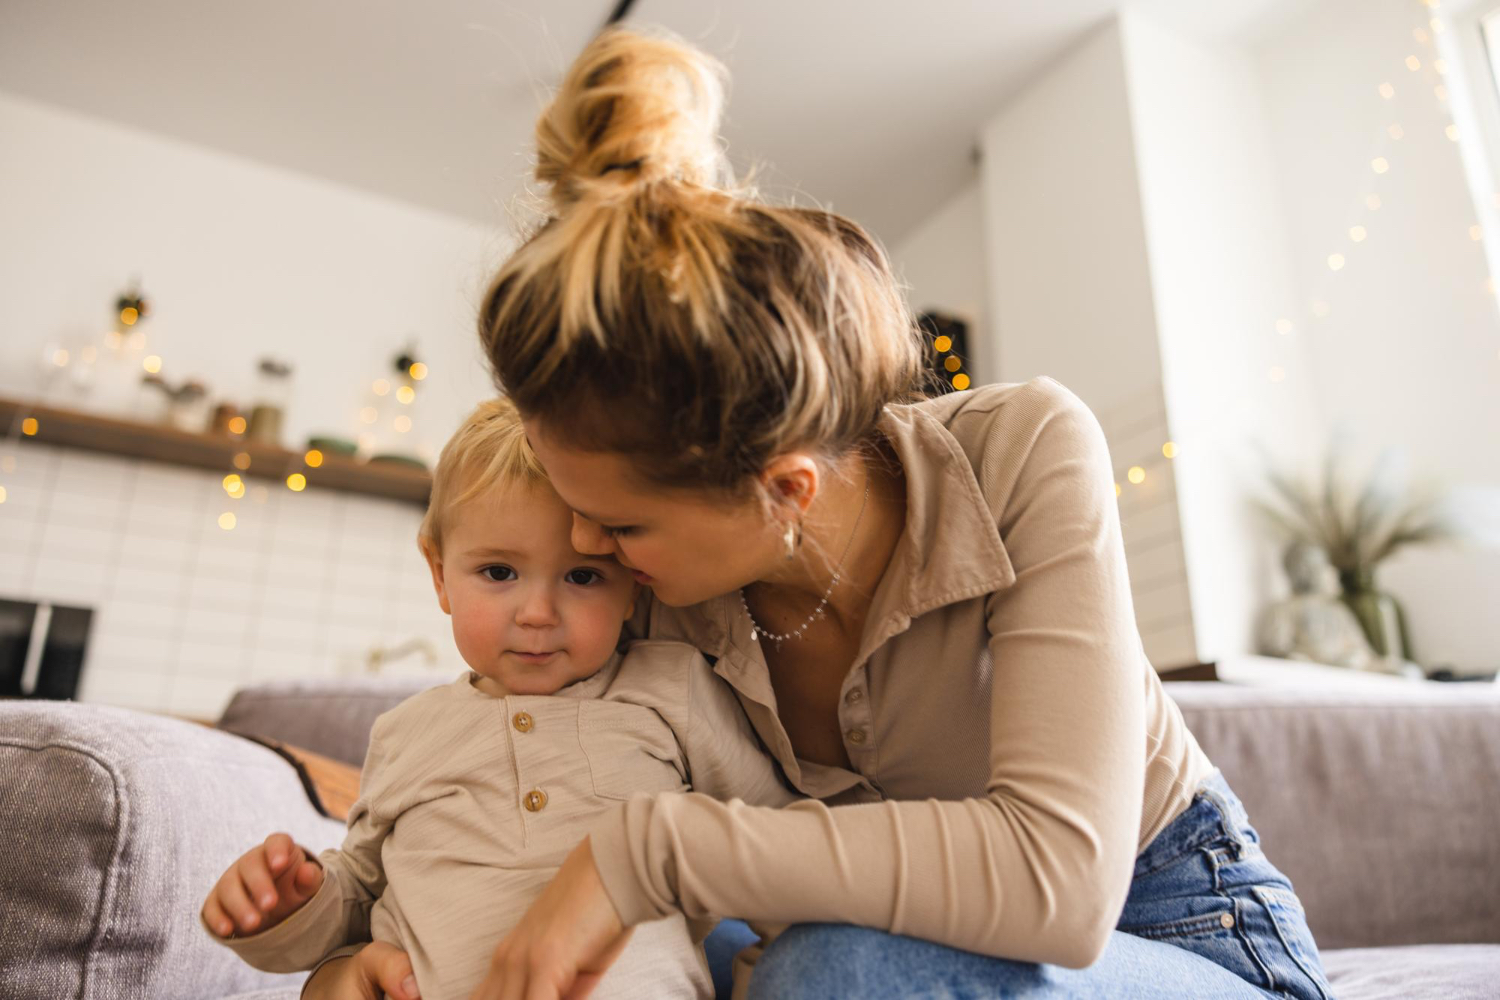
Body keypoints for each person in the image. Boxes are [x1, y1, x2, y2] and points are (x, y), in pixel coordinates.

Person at [306, 25, 1333, 1000]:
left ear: (783, 488)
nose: (586, 550)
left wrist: (647, 847)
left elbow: (1056, 882)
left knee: (835, 972)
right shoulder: (662, 588)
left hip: (1174, 930)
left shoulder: (1024, 451)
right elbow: (508, 791)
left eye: (618, 528)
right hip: (850, 931)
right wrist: (362, 952)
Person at [200, 398, 795, 1000]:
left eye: (583, 577)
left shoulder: (674, 689)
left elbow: (775, 850)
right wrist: (294, 902)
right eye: (499, 573)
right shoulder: (407, 732)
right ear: (439, 575)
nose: (537, 614)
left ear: (632, 589)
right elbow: (360, 894)